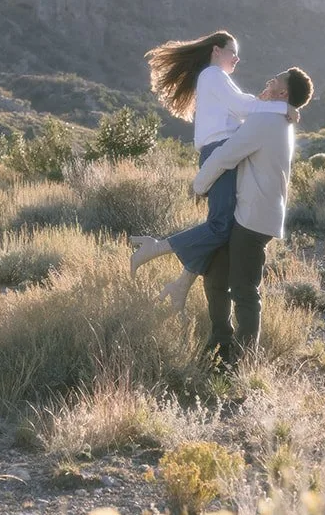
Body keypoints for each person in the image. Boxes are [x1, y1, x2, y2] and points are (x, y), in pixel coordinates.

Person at [131, 30, 295, 311]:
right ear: (216, 51)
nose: (237, 59)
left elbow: (244, 108)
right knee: (221, 227)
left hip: (221, 153)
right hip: (220, 152)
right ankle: (155, 247)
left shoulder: (216, 79)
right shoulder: (213, 75)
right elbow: (244, 106)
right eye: (233, 52)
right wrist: (283, 106)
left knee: (224, 226)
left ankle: (181, 284)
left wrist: (274, 106)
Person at [197, 66, 314, 364]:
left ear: (282, 92)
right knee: (216, 276)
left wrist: (198, 185)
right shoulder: (278, 119)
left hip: (253, 217)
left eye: (274, 80)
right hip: (253, 213)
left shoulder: (267, 120)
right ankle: (221, 344)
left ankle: (245, 361)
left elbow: (226, 155)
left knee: (244, 290)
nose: (268, 81)